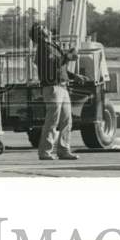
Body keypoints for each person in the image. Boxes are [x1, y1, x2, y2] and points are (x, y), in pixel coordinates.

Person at [30, 22, 78, 161]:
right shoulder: (44, 48)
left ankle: (64, 150)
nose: (48, 29)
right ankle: (45, 152)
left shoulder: (51, 46)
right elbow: (55, 63)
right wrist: (68, 56)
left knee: (67, 120)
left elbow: (59, 67)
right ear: (41, 34)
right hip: (52, 88)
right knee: (53, 120)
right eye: (44, 28)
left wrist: (74, 76)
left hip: (61, 86)